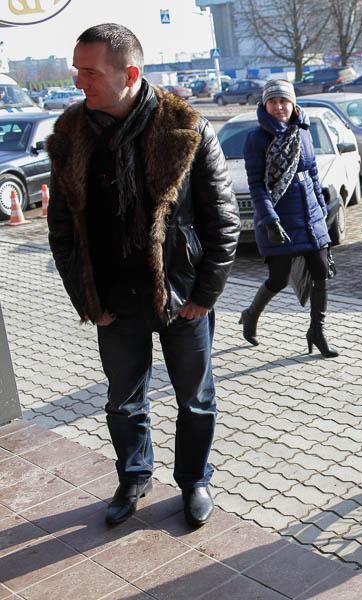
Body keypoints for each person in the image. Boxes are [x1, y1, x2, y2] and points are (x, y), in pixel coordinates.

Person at [46, 23, 240, 526]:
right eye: (77, 70)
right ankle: (134, 475)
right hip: (114, 299)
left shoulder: (186, 128)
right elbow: (62, 232)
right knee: (122, 402)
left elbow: (223, 219)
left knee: (195, 402)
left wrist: (206, 294)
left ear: (129, 73)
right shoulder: (70, 135)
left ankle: (194, 481)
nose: (78, 82)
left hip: (182, 297)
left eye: (89, 72)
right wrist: (86, 298)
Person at [238, 79, 338, 358]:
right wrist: (269, 219)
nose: (279, 107)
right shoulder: (256, 139)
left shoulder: (304, 132)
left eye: (284, 101)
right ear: (265, 105)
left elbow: (314, 175)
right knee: (278, 278)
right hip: (279, 219)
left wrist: (322, 211)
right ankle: (250, 315)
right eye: (273, 101)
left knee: (321, 272)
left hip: (310, 217)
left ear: (293, 103)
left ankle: (317, 332)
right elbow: (256, 185)